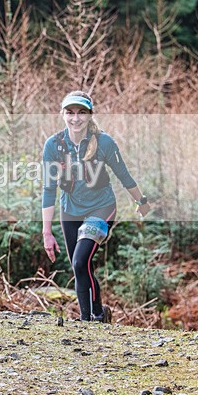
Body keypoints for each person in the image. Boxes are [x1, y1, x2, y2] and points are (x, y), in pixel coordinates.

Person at [41, 91, 150, 323]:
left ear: (90, 115)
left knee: (81, 260)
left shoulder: (104, 143)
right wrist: (46, 232)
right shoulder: (54, 145)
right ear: (63, 114)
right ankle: (93, 316)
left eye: (81, 113)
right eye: (70, 113)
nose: (75, 118)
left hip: (101, 208)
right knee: (79, 266)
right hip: (69, 210)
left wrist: (142, 201)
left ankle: (91, 319)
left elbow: (124, 175)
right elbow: (49, 189)